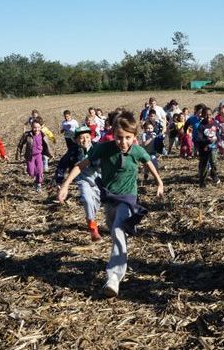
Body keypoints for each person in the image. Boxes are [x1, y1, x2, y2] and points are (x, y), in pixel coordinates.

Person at [58, 112, 163, 297]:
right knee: (114, 231)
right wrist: (66, 185)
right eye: (119, 137)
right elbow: (81, 165)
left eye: (128, 138)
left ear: (134, 137)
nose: (123, 142)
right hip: (109, 198)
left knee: (117, 230)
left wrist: (159, 182)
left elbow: (148, 162)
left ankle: (113, 277)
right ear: (113, 134)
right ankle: (119, 259)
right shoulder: (103, 148)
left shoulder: (137, 150)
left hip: (128, 198)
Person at [16, 117, 54, 192]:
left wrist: (51, 154)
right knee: (31, 173)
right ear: (31, 127)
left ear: (41, 127)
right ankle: (33, 174)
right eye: (34, 127)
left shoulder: (43, 135)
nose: (36, 129)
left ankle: (38, 184)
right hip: (29, 156)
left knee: (40, 170)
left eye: (38, 127)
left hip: (39, 155)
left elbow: (48, 145)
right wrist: (18, 154)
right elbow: (20, 144)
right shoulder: (27, 135)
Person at [195, 107, 222, 187]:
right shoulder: (201, 126)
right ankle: (202, 181)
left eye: (209, 114)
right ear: (202, 115)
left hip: (213, 147)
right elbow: (199, 138)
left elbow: (217, 134)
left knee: (214, 162)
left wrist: (219, 141)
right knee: (204, 165)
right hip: (204, 148)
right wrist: (207, 141)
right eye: (206, 115)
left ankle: (214, 174)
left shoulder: (215, 123)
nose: (208, 116)